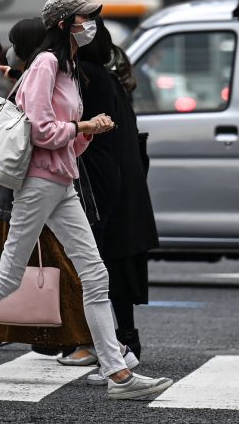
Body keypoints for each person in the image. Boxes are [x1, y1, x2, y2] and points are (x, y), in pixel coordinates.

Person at [0, 0, 174, 400]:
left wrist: (86, 132)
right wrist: (82, 127)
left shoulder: (69, 67)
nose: (90, 25)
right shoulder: (46, 63)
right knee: (6, 276)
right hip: (40, 182)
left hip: (60, 179)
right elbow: (40, 129)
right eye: (83, 18)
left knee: (95, 274)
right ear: (62, 24)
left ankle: (118, 375)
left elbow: (63, 136)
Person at [77, 19, 159, 370]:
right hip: (125, 179)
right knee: (115, 261)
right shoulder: (112, 76)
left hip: (103, 181)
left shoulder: (87, 76)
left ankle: (112, 344)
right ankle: (122, 338)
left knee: (99, 263)